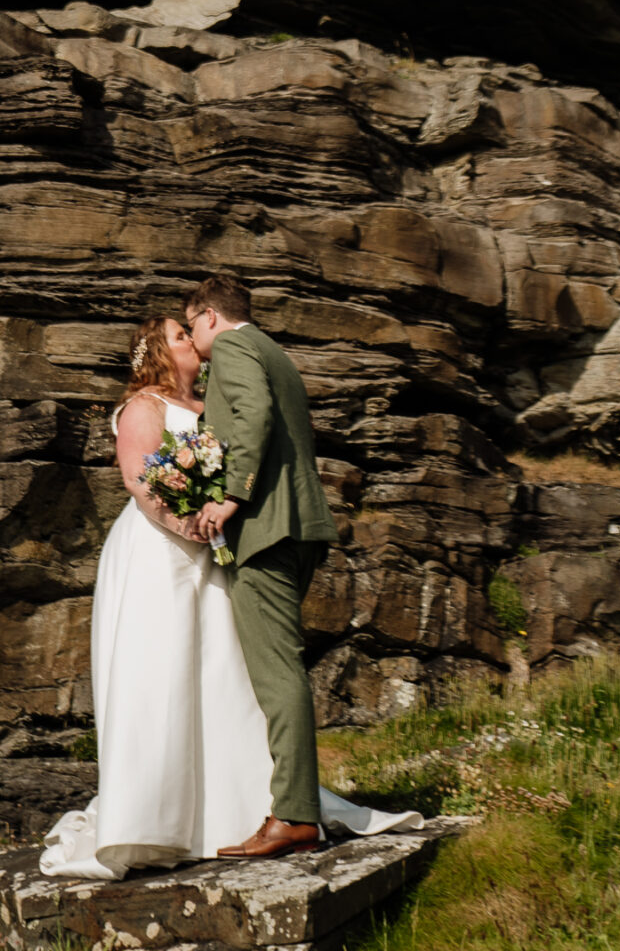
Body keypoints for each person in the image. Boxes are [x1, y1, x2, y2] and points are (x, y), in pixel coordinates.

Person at [40, 296, 419, 879]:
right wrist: (187, 525)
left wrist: (213, 524)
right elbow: (142, 480)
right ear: (160, 350)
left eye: (190, 329)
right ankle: (154, 817)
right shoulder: (146, 404)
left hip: (215, 549)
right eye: (178, 334)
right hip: (160, 553)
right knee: (163, 674)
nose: (191, 340)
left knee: (224, 674)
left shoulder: (209, 399)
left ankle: (232, 809)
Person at [186, 272, 343, 859]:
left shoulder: (232, 347)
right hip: (299, 525)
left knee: (277, 673)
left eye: (191, 326)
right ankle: (294, 806)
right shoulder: (276, 352)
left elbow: (252, 419)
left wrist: (229, 496)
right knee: (283, 668)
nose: (194, 341)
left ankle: (296, 816)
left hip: (267, 528)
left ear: (208, 316)